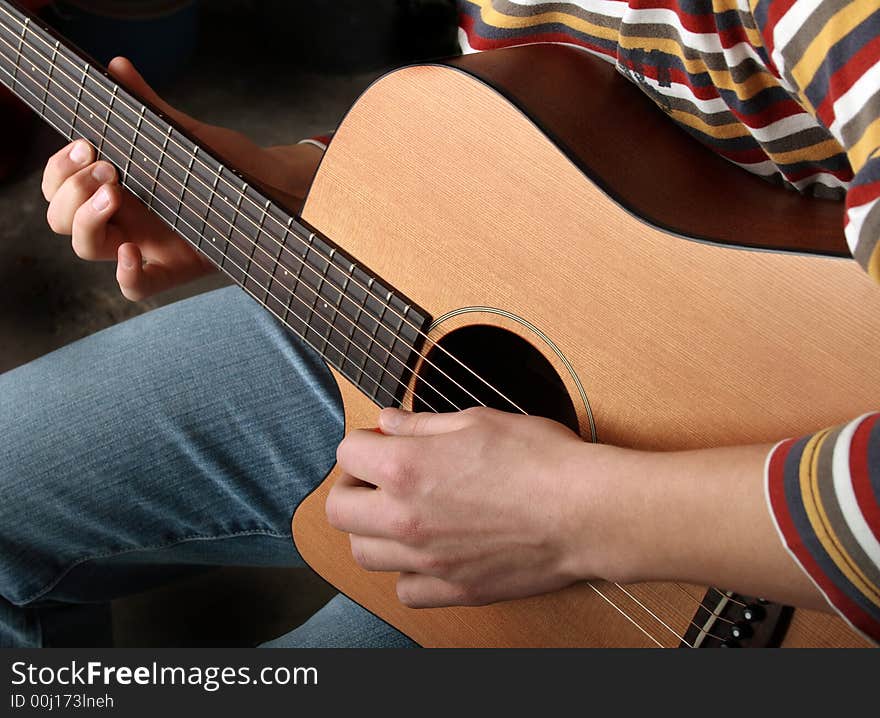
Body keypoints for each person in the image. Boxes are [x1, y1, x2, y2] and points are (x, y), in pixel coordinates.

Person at [1, 0, 877, 647]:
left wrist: (567, 512)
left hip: (762, 563)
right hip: (499, 317)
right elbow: (569, 144)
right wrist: (294, 187)